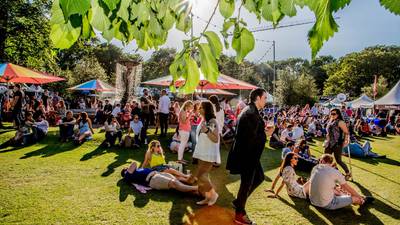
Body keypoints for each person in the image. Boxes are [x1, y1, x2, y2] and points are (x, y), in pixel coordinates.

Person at [226, 88, 267, 225]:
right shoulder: (250, 113)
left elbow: (253, 133)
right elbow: (251, 139)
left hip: (250, 154)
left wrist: (263, 131)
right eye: (265, 98)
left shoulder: (251, 111)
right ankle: (239, 214)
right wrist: (268, 133)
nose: (266, 101)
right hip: (247, 155)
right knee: (246, 183)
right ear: (258, 98)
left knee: (259, 177)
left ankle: (238, 202)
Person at [309, 154, 374, 210]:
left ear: (322, 161)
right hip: (325, 204)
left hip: (313, 200)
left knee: (338, 191)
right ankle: (362, 201)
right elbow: (347, 188)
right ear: (331, 162)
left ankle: (354, 198)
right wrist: (359, 197)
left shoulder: (315, 168)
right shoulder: (334, 172)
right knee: (355, 198)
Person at [192, 100, 220, 206]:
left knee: (202, 176)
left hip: (208, 152)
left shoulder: (212, 121)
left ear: (206, 109)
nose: (199, 109)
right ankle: (207, 198)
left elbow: (216, 139)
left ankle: (213, 195)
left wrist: (207, 131)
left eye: (201, 108)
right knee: (202, 176)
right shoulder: (203, 120)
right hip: (201, 151)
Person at [121, 162, 198, 193]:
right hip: (153, 179)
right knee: (174, 183)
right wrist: (128, 170)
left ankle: (190, 181)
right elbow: (134, 163)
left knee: (176, 179)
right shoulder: (128, 175)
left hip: (156, 174)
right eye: (126, 169)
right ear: (125, 172)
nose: (128, 168)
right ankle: (197, 188)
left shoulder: (134, 172)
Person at [324, 108, 352, 180]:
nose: (332, 115)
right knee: (325, 158)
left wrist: (346, 141)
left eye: (334, 114)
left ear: (338, 114)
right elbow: (328, 131)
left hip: (337, 144)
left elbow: (346, 132)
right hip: (329, 143)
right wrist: (327, 137)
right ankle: (326, 172)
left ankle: (348, 173)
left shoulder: (340, 122)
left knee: (338, 160)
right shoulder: (331, 121)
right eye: (331, 113)